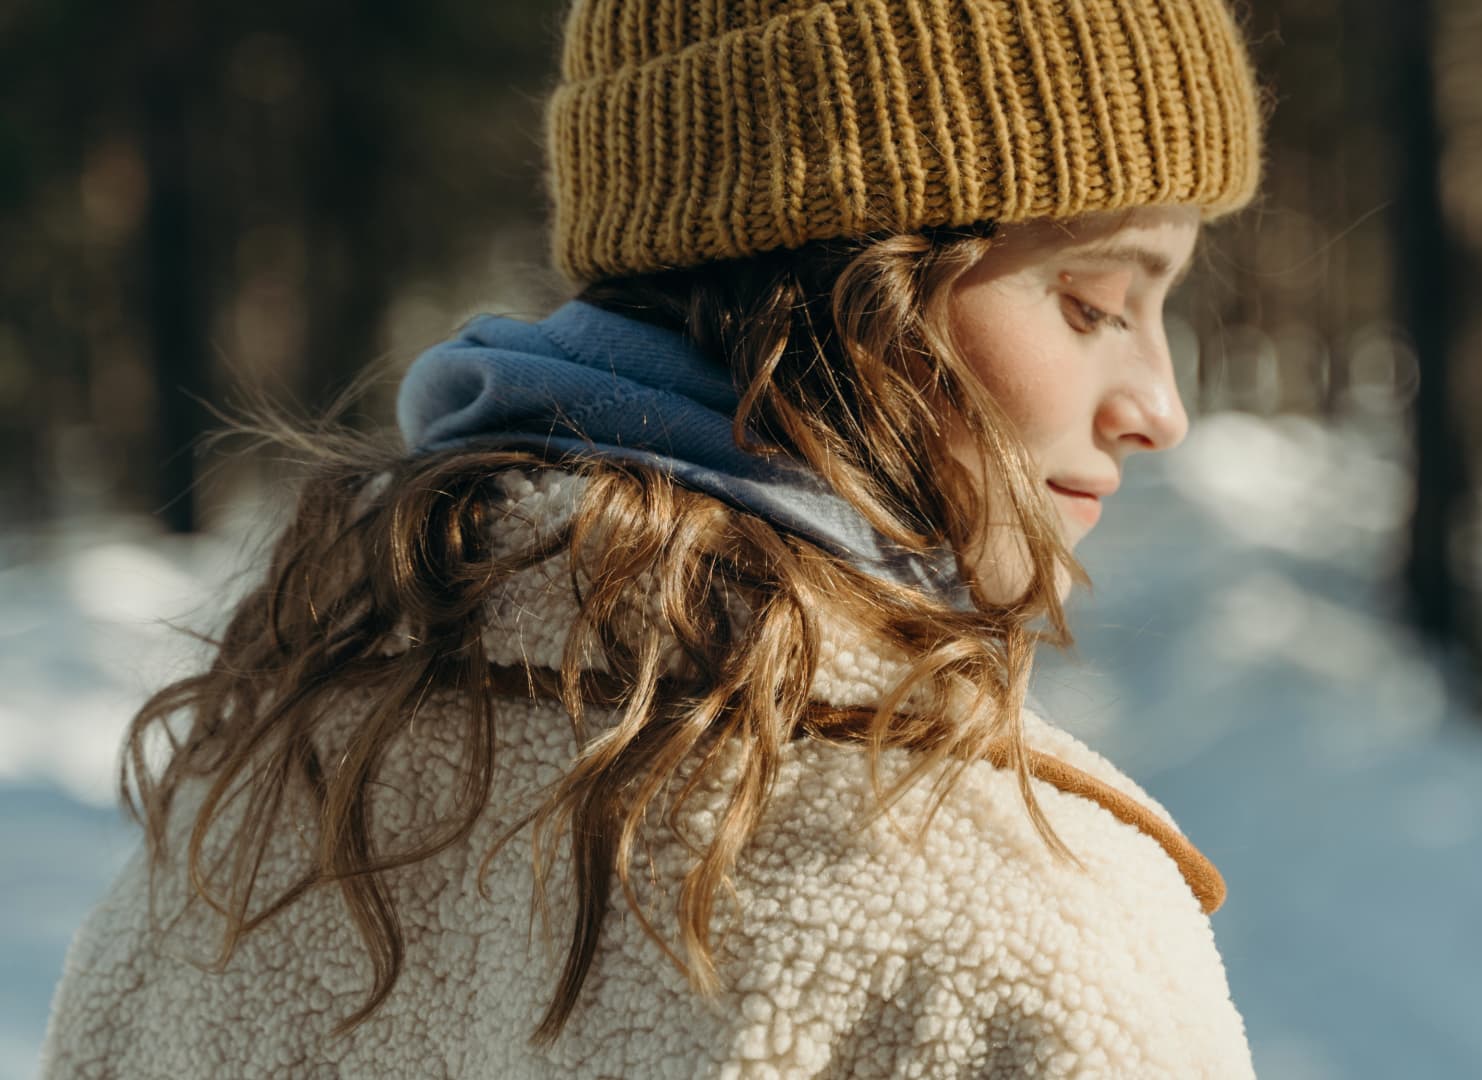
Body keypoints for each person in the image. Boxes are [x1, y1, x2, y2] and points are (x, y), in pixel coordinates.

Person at [44, 0, 1265, 1074]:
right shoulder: (1025, 929)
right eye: (1095, 302)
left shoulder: (244, 818)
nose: (1161, 408)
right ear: (845, 268)